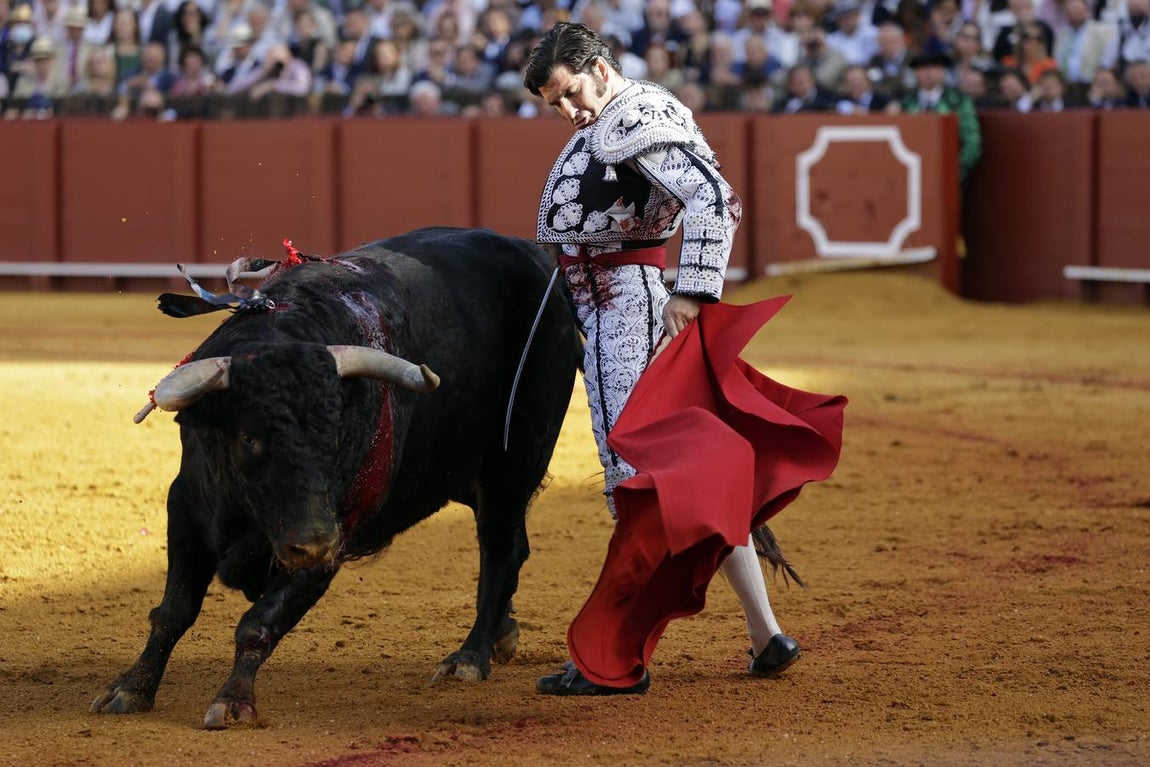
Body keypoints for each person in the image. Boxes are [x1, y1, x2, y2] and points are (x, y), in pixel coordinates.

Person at [522, 21, 838, 697]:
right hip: (608, 302)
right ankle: (766, 635)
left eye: (571, 93)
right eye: (554, 103)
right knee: (689, 479)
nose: (567, 112)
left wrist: (694, 292)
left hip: (624, 309)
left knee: (633, 477)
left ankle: (617, 655)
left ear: (599, 69)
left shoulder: (635, 115)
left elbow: (715, 199)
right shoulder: (614, 116)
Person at [899, 52, 982, 184]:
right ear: (917, 73)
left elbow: (971, 141)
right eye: (924, 68)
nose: (930, 72)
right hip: (913, 175)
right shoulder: (906, 102)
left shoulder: (958, 101)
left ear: (943, 72)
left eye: (935, 67)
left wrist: (954, 172)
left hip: (947, 170)